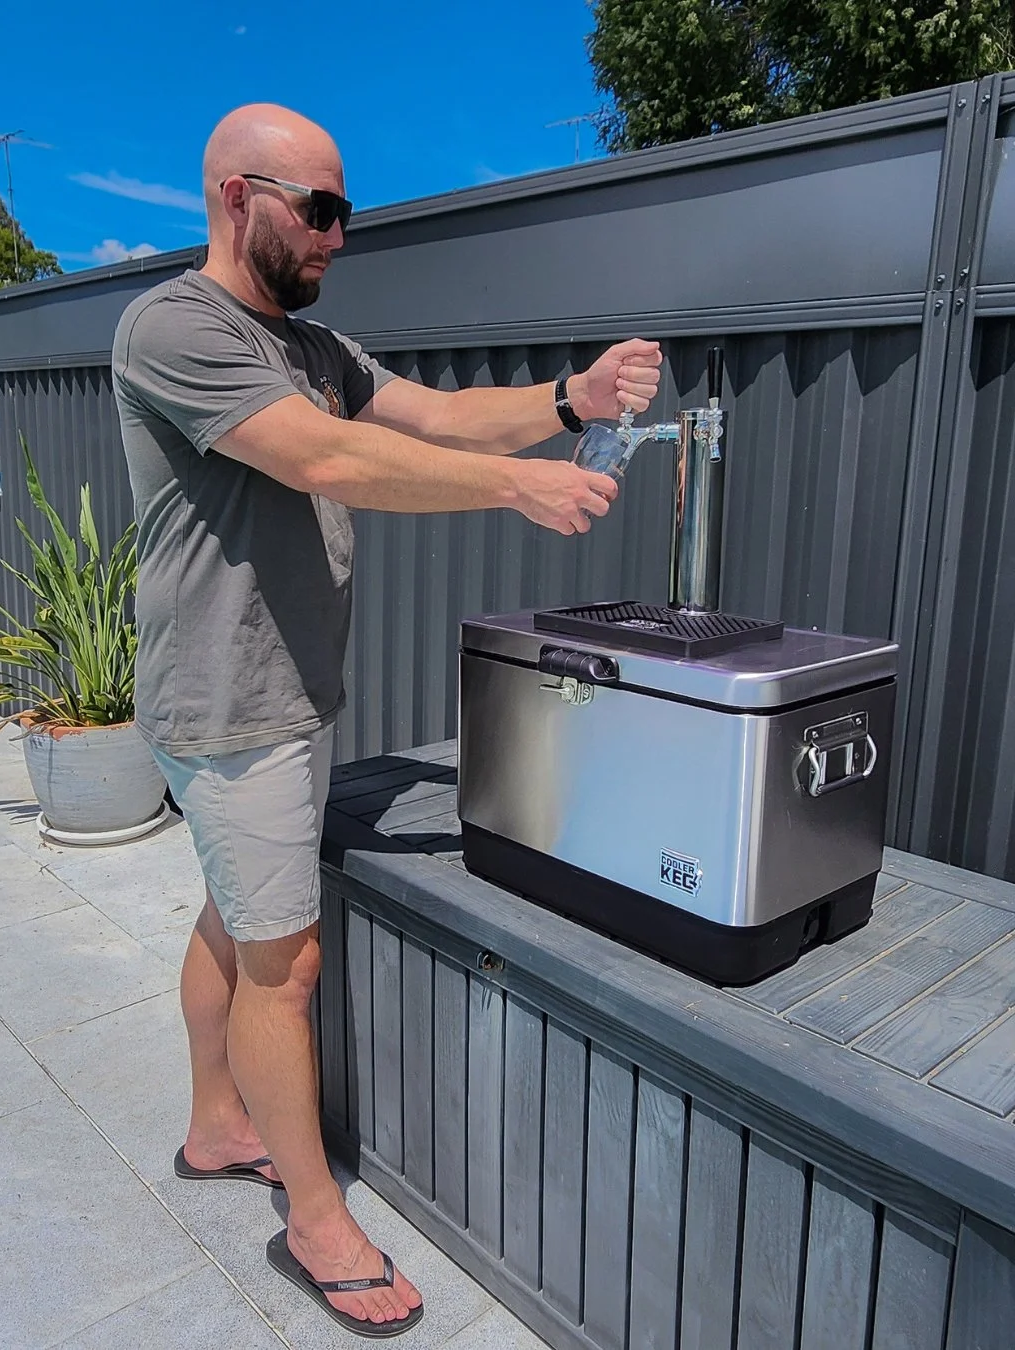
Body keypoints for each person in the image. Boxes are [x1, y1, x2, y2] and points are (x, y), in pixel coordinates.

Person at [111, 102, 662, 1339]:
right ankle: (314, 1216)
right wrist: (519, 486)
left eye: (343, 211)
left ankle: (216, 1124)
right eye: (317, 209)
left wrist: (570, 399)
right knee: (284, 963)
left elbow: (434, 417)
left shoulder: (315, 346)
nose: (337, 236)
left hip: (283, 694)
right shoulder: (171, 328)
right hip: (228, 702)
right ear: (234, 195)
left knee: (233, 914)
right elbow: (328, 461)